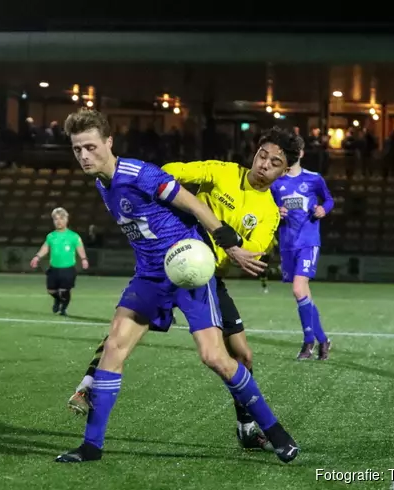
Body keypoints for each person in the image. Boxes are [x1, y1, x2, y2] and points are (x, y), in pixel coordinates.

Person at [55, 108, 298, 464]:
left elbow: (194, 203)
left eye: (91, 147)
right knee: (114, 349)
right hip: (150, 275)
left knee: (216, 357)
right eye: (78, 149)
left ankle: (274, 432)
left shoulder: (139, 174)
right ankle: (91, 446)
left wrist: (228, 244)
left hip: (190, 271)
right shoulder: (102, 183)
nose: (84, 156)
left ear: (109, 142)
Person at [271, 147, 334, 360]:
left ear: (301, 152)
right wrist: (275, 212)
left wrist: (323, 210)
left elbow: (329, 200)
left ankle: (308, 343)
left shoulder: (314, 179)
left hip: (308, 241)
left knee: (298, 290)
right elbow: (268, 208)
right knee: (304, 294)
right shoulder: (276, 181)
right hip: (287, 244)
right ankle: (323, 341)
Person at [29, 207, 88, 316]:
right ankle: (57, 300)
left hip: (68, 268)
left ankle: (63, 309)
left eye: (61, 218)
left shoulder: (73, 236)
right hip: (54, 268)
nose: (59, 221)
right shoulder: (51, 236)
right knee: (51, 290)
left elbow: (80, 248)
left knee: (64, 291)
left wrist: (84, 259)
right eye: (56, 219)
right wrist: (37, 257)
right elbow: (45, 248)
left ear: (66, 219)